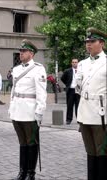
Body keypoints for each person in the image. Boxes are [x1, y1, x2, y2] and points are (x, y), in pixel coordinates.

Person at [9, 39, 47, 180]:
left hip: (30, 112)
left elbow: (41, 93)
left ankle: (31, 173)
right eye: (20, 51)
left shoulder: (38, 69)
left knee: (31, 143)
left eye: (24, 51)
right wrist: (11, 106)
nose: (21, 53)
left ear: (31, 53)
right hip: (17, 111)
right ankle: (22, 172)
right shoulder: (17, 69)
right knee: (22, 143)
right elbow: (14, 89)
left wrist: (39, 111)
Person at [76, 27, 107, 180]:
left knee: (102, 151)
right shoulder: (82, 64)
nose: (88, 45)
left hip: (101, 114)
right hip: (85, 113)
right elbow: (78, 89)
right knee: (90, 151)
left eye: (92, 41)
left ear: (101, 43)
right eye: (87, 42)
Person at [60, 59, 81, 125]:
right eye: (73, 62)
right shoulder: (67, 71)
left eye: (76, 62)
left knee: (78, 106)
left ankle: (79, 119)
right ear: (71, 63)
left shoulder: (81, 71)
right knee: (70, 106)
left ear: (78, 63)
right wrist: (67, 84)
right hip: (71, 90)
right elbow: (62, 78)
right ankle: (68, 119)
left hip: (78, 90)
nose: (74, 63)